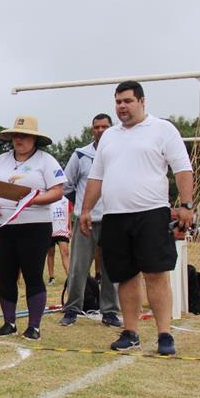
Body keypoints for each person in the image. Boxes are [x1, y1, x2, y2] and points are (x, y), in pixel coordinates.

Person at [80, 81, 194, 356]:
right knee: (125, 276)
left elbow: (182, 169)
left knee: (155, 274)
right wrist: (85, 210)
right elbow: (96, 177)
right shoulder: (108, 137)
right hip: (115, 216)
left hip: (151, 214)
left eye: (127, 101)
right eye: (118, 101)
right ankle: (130, 332)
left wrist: (187, 204)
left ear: (142, 101)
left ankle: (164, 335)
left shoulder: (163, 129)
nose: (122, 106)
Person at [0, 116, 66, 340]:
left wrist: (32, 200)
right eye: (15, 135)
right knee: (6, 275)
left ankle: (34, 326)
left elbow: (58, 191)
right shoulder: (1, 160)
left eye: (24, 135)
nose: (19, 139)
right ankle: (9, 323)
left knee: (33, 275)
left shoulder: (46, 161)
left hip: (35, 226)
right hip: (3, 226)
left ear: (34, 139)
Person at [59, 113, 122, 328]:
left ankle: (110, 311)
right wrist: (81, 205)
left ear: (112, 128)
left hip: (113, 219)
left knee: (110, 268)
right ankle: (72, 309)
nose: (101, 130)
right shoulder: (80, 155)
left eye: (105, 126)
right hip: (86, 221)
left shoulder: (120, 152)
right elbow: (66, 185)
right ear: (91, 129)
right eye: (97, 127)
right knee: (78, 266)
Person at [46, 196, 70, 285]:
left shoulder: (65, 199)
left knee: (65, 252)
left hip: (62, 229)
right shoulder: (49, 196)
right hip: (50, 229)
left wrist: (69, 227)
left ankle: (70, 276)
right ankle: (51, 277)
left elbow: (69, 212)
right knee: (51, 253)